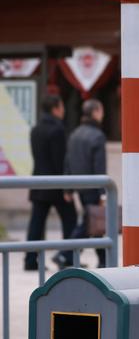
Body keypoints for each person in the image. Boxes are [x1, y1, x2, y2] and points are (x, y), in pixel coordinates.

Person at [24, 94, 76, 271]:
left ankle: (30, 260)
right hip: (56, 184)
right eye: (62, 106)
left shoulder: (36, 129)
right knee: (70, 219)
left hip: (39, 182)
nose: (63, 110)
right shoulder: (58, 130)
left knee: (36, 223)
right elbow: (60, 161)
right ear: (55, 108)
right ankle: (68, 257)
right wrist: (67, 188)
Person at [55, 98, 107, 269]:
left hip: (79, 185)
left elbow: (67, 162)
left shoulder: (75, 134)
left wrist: (68, 188)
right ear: (95, 112)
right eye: (101, 110)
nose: (103, 114)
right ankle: (64, 254)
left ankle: (103, 260)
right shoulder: (97, 136)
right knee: (89, 224)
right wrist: (103, 192)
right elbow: (99, 167)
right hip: (93, 187)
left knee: (94, 223)